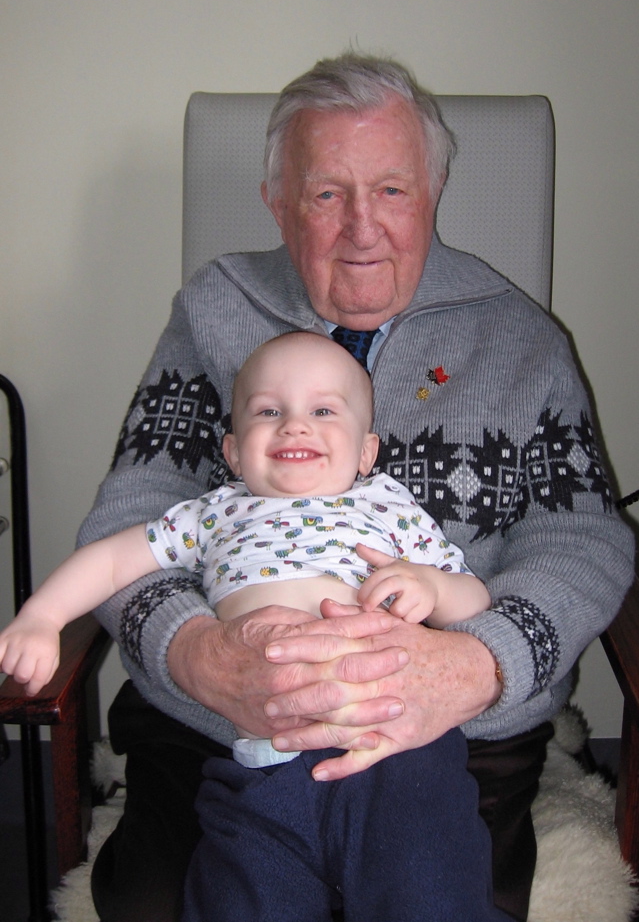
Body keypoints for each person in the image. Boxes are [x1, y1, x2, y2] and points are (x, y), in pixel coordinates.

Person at [74, 53, 634, 922]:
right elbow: (133, 511)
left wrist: (477, 661)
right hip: (221, 730)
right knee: (154, 902)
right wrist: (197, 653)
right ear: (276, 201)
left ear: (435, 190)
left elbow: (585, 539)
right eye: (327, 193)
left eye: (393, 192)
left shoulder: (522, 340)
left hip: (448, 738)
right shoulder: (213, 311)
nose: (362, 229)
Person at [1, 333, 510, 920]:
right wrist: (42, 616)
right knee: (240, 898)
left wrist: (433, 588)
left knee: (431, 897)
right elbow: (113, 560)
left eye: (323, 410)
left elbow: (472, 597)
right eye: (269, 411)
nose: (295, 426)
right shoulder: (214, 513)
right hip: (262, 762)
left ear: (367, 452)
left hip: (398, 755)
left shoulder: (390, 508)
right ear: (236, 451)